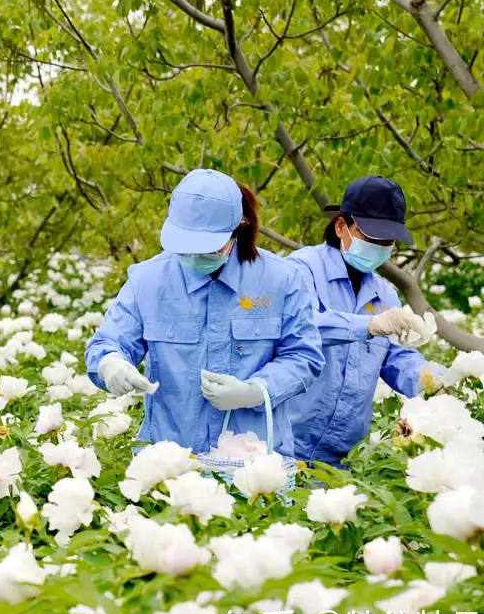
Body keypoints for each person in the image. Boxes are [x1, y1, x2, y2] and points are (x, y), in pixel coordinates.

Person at [85, 169, 324, 456]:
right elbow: (108, 342)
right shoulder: (148, 281)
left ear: (239, 228)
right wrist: (111, 365)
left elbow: (304, 356)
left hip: (255, 462)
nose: (195, 257)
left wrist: (257, 390)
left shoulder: (281, 279)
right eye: (186, 248)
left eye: (208, 248)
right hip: (170, 461)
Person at [287, 176, 445, 466]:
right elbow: (298, 327)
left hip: (342, 461)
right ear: (341, 227)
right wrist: (367, 326)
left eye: (387, 242)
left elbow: (396, 357)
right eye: (371, 237)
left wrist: (433, 379)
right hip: (284, 449)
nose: (379, 246)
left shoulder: (384, 294)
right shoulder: (300, 270)